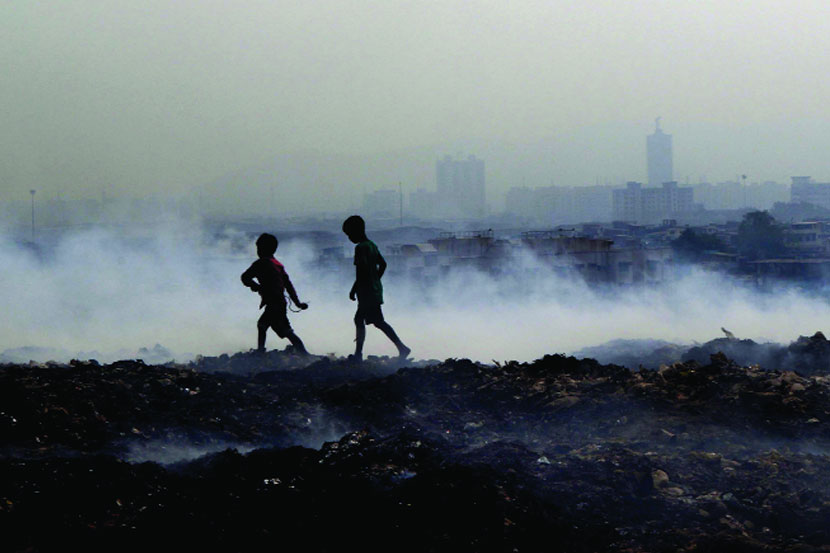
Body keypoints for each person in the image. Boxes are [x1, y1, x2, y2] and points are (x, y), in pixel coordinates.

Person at [342, 215, 410, 362]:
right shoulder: (372, 245)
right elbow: (383, 264)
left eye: (349, 234)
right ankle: (401, 348)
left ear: (356, 231)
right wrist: (375, 279)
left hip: (366, 292)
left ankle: (359, 354)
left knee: (362, 320)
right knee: (375, 321)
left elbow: (361, 272)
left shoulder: (361, 248)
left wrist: (354, 289)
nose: (349, 238)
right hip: (374, 289)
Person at [240, 233, 309, 354]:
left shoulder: (261, 263)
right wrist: (297, 303)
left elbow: (245, 277)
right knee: (279, 329)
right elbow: (288, 285)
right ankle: (303, 353)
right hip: (279, 302)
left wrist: (256, 287)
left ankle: (261, 352)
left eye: (259, 248)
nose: (258, 251)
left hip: (274, 303)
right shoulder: (278, 264)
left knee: (268, 326)